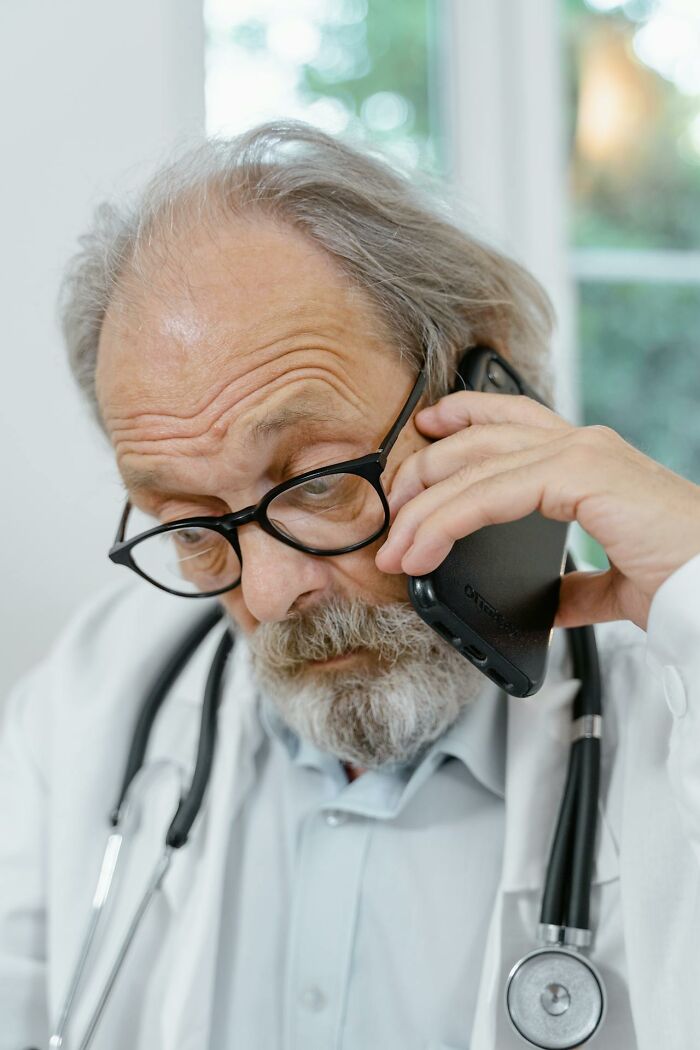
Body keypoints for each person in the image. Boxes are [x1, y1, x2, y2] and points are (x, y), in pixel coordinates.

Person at [1, 120, 699, 1050]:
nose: (275, 587)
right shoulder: (95, 696)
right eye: (192, 526)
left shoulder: (669, 696)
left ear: (490, 397)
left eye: (320, 482)